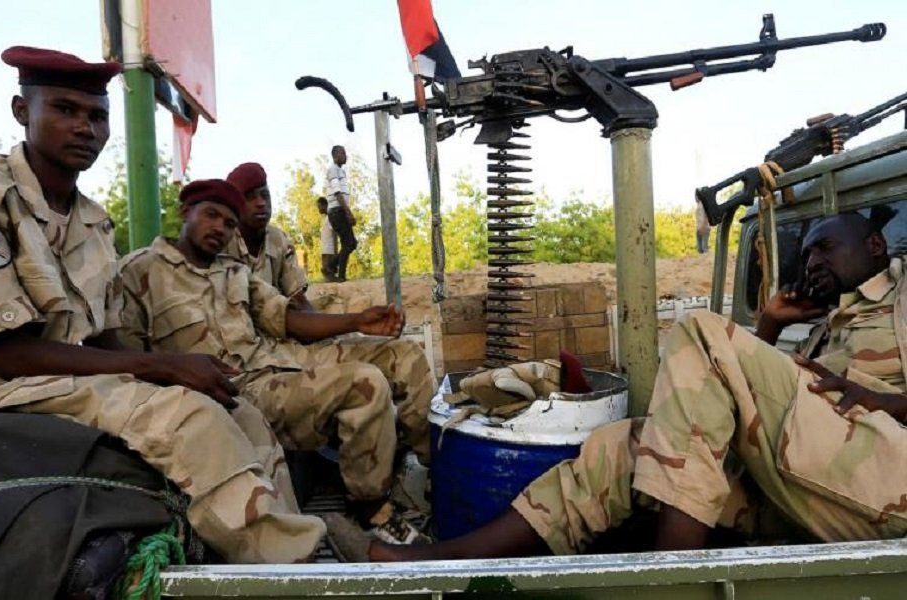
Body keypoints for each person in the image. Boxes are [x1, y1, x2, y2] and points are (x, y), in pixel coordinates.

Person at [0, 46, 324, 564]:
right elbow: (8, 353)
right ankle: (287, 564)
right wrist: (161, 367)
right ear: (22, 111)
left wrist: (175, 371)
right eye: (64, 109)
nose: (85, 128)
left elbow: (104, 338)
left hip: (44, 377)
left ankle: (294, 547)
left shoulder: (92, 222)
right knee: (187, 418)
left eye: (97, 116)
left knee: (238, 409)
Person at [369, 212, 907, 561]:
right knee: (626, 447)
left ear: (876, 245)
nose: (812, 261)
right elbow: (764, 402)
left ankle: (673, 577)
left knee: (700, 330)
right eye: (806, 253)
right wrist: (767, 325)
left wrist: (889, 400)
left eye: (825, 247)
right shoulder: (827, 325)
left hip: (889, 476)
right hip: (817, 482)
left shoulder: (901, 296)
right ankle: (448, 559)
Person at [120, 179, 435, 543]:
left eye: (229, 223)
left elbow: (288, 319)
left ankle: (429, 473)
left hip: (278, 360)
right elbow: (129, 362)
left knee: (402, 353)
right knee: (364, 383)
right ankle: (370, 507)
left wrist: (357, 321)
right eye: (211, 215)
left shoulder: (235, 272)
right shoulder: (140, 272)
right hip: (233, 389)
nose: (220, 228)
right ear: (185, 212)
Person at [224, 162, 314, 311]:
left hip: (273, 319)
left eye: (265, 195)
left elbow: (298, 299)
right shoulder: (224, 241)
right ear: (235, 205)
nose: (261, 203)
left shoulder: (278, 239)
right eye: (250, 197)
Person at [325, 145, 357, 282]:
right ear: (336, 156)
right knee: (349, 243)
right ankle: (333, 269)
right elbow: (337, 193)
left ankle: (335, 270)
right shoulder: (333, 170)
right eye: (343, 153)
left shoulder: (340, 171)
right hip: (337, 211)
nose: (345, 156)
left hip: (340, 210)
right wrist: (348, 212)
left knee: (350, 243)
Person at [319, 196, 339, 282]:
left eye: (319, 206)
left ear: (325, 205)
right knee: (326, 275)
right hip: (325, 248)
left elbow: (335, 234)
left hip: (329, 249)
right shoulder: (326, 218)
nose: (319, 209)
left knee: (329, 272)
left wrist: (335, 250)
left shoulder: (331, 217)